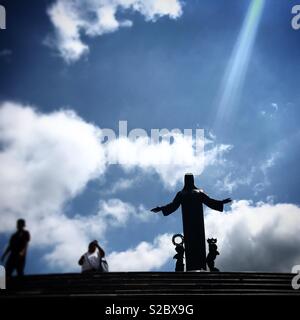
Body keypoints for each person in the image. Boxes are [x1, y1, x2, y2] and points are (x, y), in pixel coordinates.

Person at [151, 173, 231, 271]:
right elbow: (173, 205)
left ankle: (201, 266)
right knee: (190, 242)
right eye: (187, 179)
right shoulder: (181, 194)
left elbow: (209, 201)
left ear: (192, 180)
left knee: (199, 241)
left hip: (198, 221)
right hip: (188, 221)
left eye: (190, 179)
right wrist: (161, 208)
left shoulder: (199, 192)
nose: (188, 180)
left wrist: (221, 202)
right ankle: (191, 266)